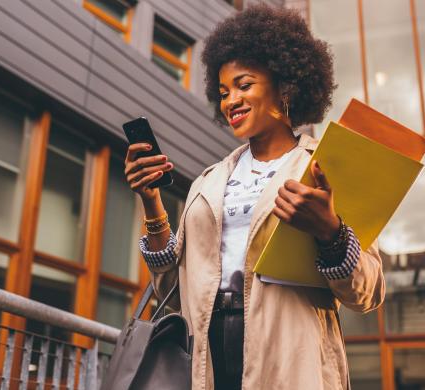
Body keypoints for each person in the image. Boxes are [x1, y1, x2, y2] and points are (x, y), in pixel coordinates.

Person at [123, 4, 384, 389]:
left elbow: (369, 290)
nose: (230, 101)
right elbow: (174, 295)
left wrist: (331, 232)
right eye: (224, 92)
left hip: (290, 357)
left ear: (284, 86)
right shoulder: (207, 182)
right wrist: (151, 202)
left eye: (244, 85)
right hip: (208, 355)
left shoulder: (322, 168)